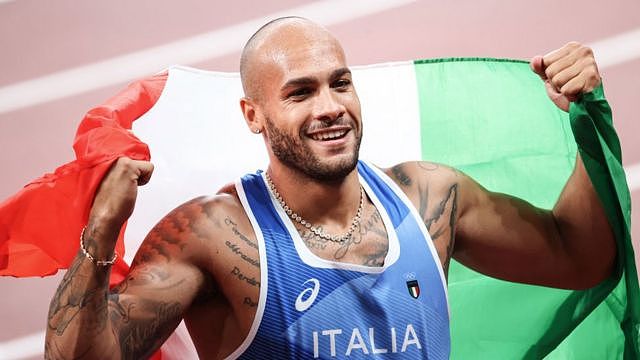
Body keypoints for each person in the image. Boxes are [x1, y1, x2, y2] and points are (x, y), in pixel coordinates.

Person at [44, 17, 615, 359]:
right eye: (300, 93)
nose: (330, 108)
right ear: (254, 115)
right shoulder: (215, 235)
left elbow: (579, 256)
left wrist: (589, 122)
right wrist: (99, 233)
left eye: (340, 84)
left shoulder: (429, 200)